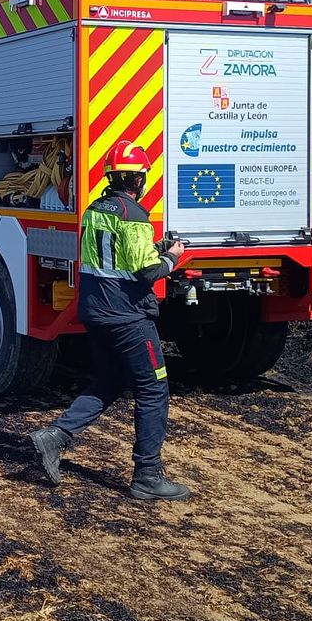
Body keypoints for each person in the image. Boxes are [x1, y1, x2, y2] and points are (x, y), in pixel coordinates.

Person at [28, 140, 191, 500]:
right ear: (139, 181)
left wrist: (157, 246)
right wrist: (174, 257)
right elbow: (146, 270)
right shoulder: (133, 216)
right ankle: (148, 476)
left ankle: (54, 437)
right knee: (153, 389)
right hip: (128, 317)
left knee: (112, 380)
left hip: (97, 313)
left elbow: (112, 256)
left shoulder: (94, 210)